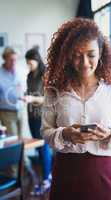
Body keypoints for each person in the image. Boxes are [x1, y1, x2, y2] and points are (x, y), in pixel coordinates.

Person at [41, 18, 111, 200]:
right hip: (66, 174)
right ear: (66, 55)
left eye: (91, 54)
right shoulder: (54, 91)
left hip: (102, 176)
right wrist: (65, 134)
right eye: (76, 54)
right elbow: (46, 132)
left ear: (101, 53)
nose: (84, 62)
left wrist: (109, 134)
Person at [24, 47, 53, 195]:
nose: (28, 66)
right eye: (27, 63)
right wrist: (26, 96)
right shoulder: (29, 75)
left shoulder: (45, 74)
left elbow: (48, 98)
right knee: (39, 148)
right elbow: (30, 92)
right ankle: (45, 176)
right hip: (31, 116)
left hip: (42, 116)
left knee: (44, 148)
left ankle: (47, 178)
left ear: (37, 60)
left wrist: (32, 98)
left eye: (30, 63)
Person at [0, 47, 24, 136]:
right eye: (11, 60)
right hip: (6, 113)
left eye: (15, 60)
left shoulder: (19, 71)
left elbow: (23, 88)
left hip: (20, 110)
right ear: (5, 59)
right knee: (12, 141)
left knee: (21, 140)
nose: (14, 62)